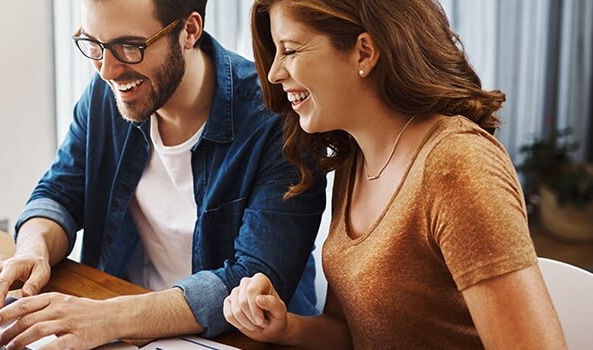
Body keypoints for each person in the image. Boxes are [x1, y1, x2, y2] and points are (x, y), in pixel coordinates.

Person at [0, 0, 328, 348]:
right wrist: (33, 251)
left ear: (189, 31)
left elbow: (251, 279)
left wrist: (107, 318)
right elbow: (58, 194)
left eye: (129, 47)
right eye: (94, 45)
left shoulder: (276, 122)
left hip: (230, 340)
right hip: (121, 322)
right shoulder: (106, 96)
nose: (107, 71)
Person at [222, 0, 567, 348]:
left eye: (291, 50)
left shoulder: (456, 165)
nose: (273, 73)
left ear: (364, 53)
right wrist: (285, 328)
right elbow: (354, 334)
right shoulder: (356, 160)